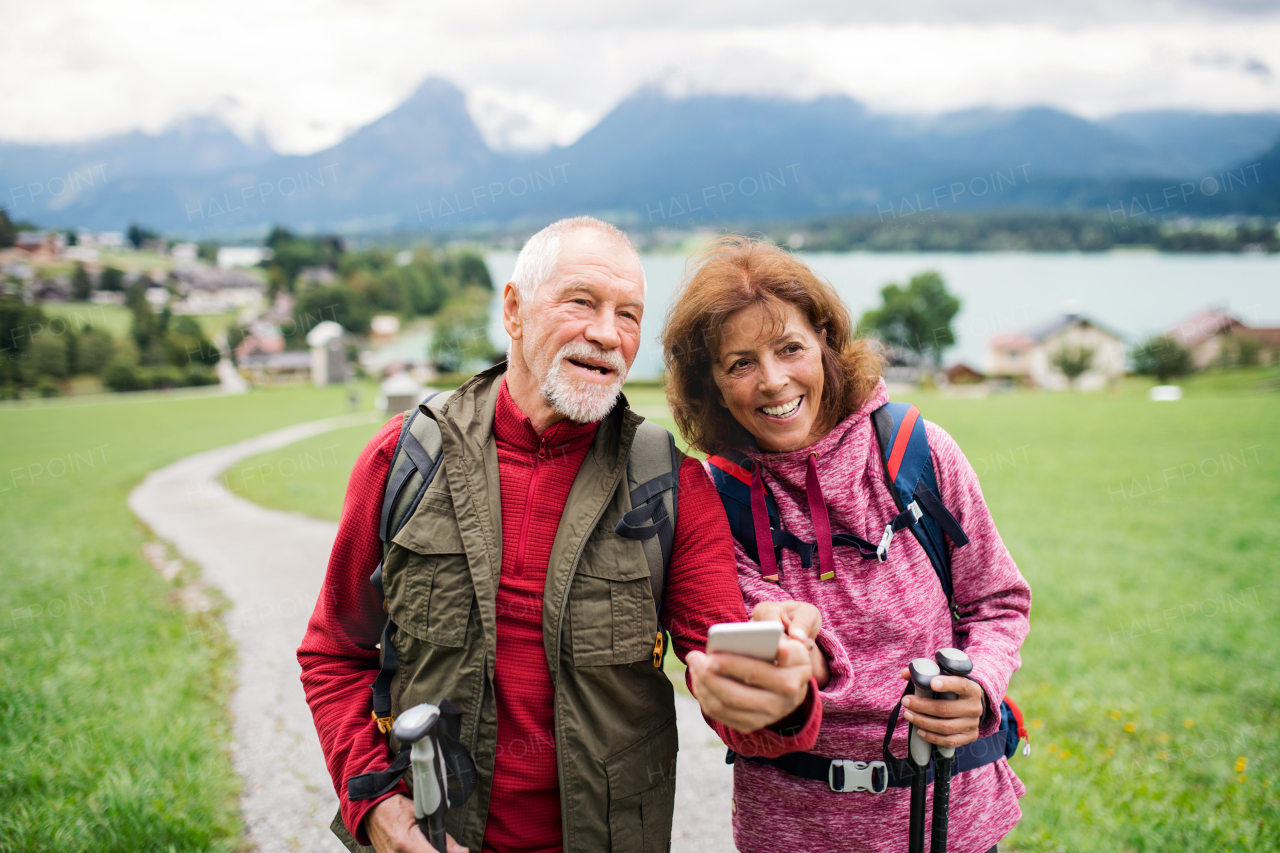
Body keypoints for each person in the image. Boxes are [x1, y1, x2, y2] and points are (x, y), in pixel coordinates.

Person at [298, 217, 825, 853]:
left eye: (628, 315)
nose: (607, 334)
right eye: (581, 302)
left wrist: (783, 697)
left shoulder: (672, 485)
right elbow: (334, 655)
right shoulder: (405, 457)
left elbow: (731, 689)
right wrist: (374, 804)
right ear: (515, 311)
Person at [663, 236, 1032, 853]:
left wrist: (982, 687)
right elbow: (749, 657)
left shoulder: (920, 452)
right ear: (713, 387)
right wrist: (796, 659)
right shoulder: (714, 499)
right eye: (740, 363)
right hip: (795, 834)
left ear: (828, 346)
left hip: (951, 822)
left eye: (790, 348)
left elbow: (998, 601)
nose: (774, 380)